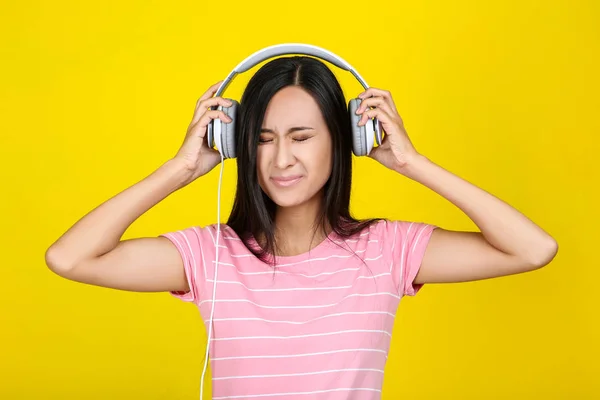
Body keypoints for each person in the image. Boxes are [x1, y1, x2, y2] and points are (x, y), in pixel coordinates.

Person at [45, 56, 558, 399]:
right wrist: (180, 169)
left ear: (346, 139)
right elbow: (69, 258)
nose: (281, 158)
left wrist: (412, 163)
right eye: (263, 138)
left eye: (302, 136)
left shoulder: (389, 249)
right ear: (238, 145)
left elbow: (533, 249)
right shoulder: (210, 257)